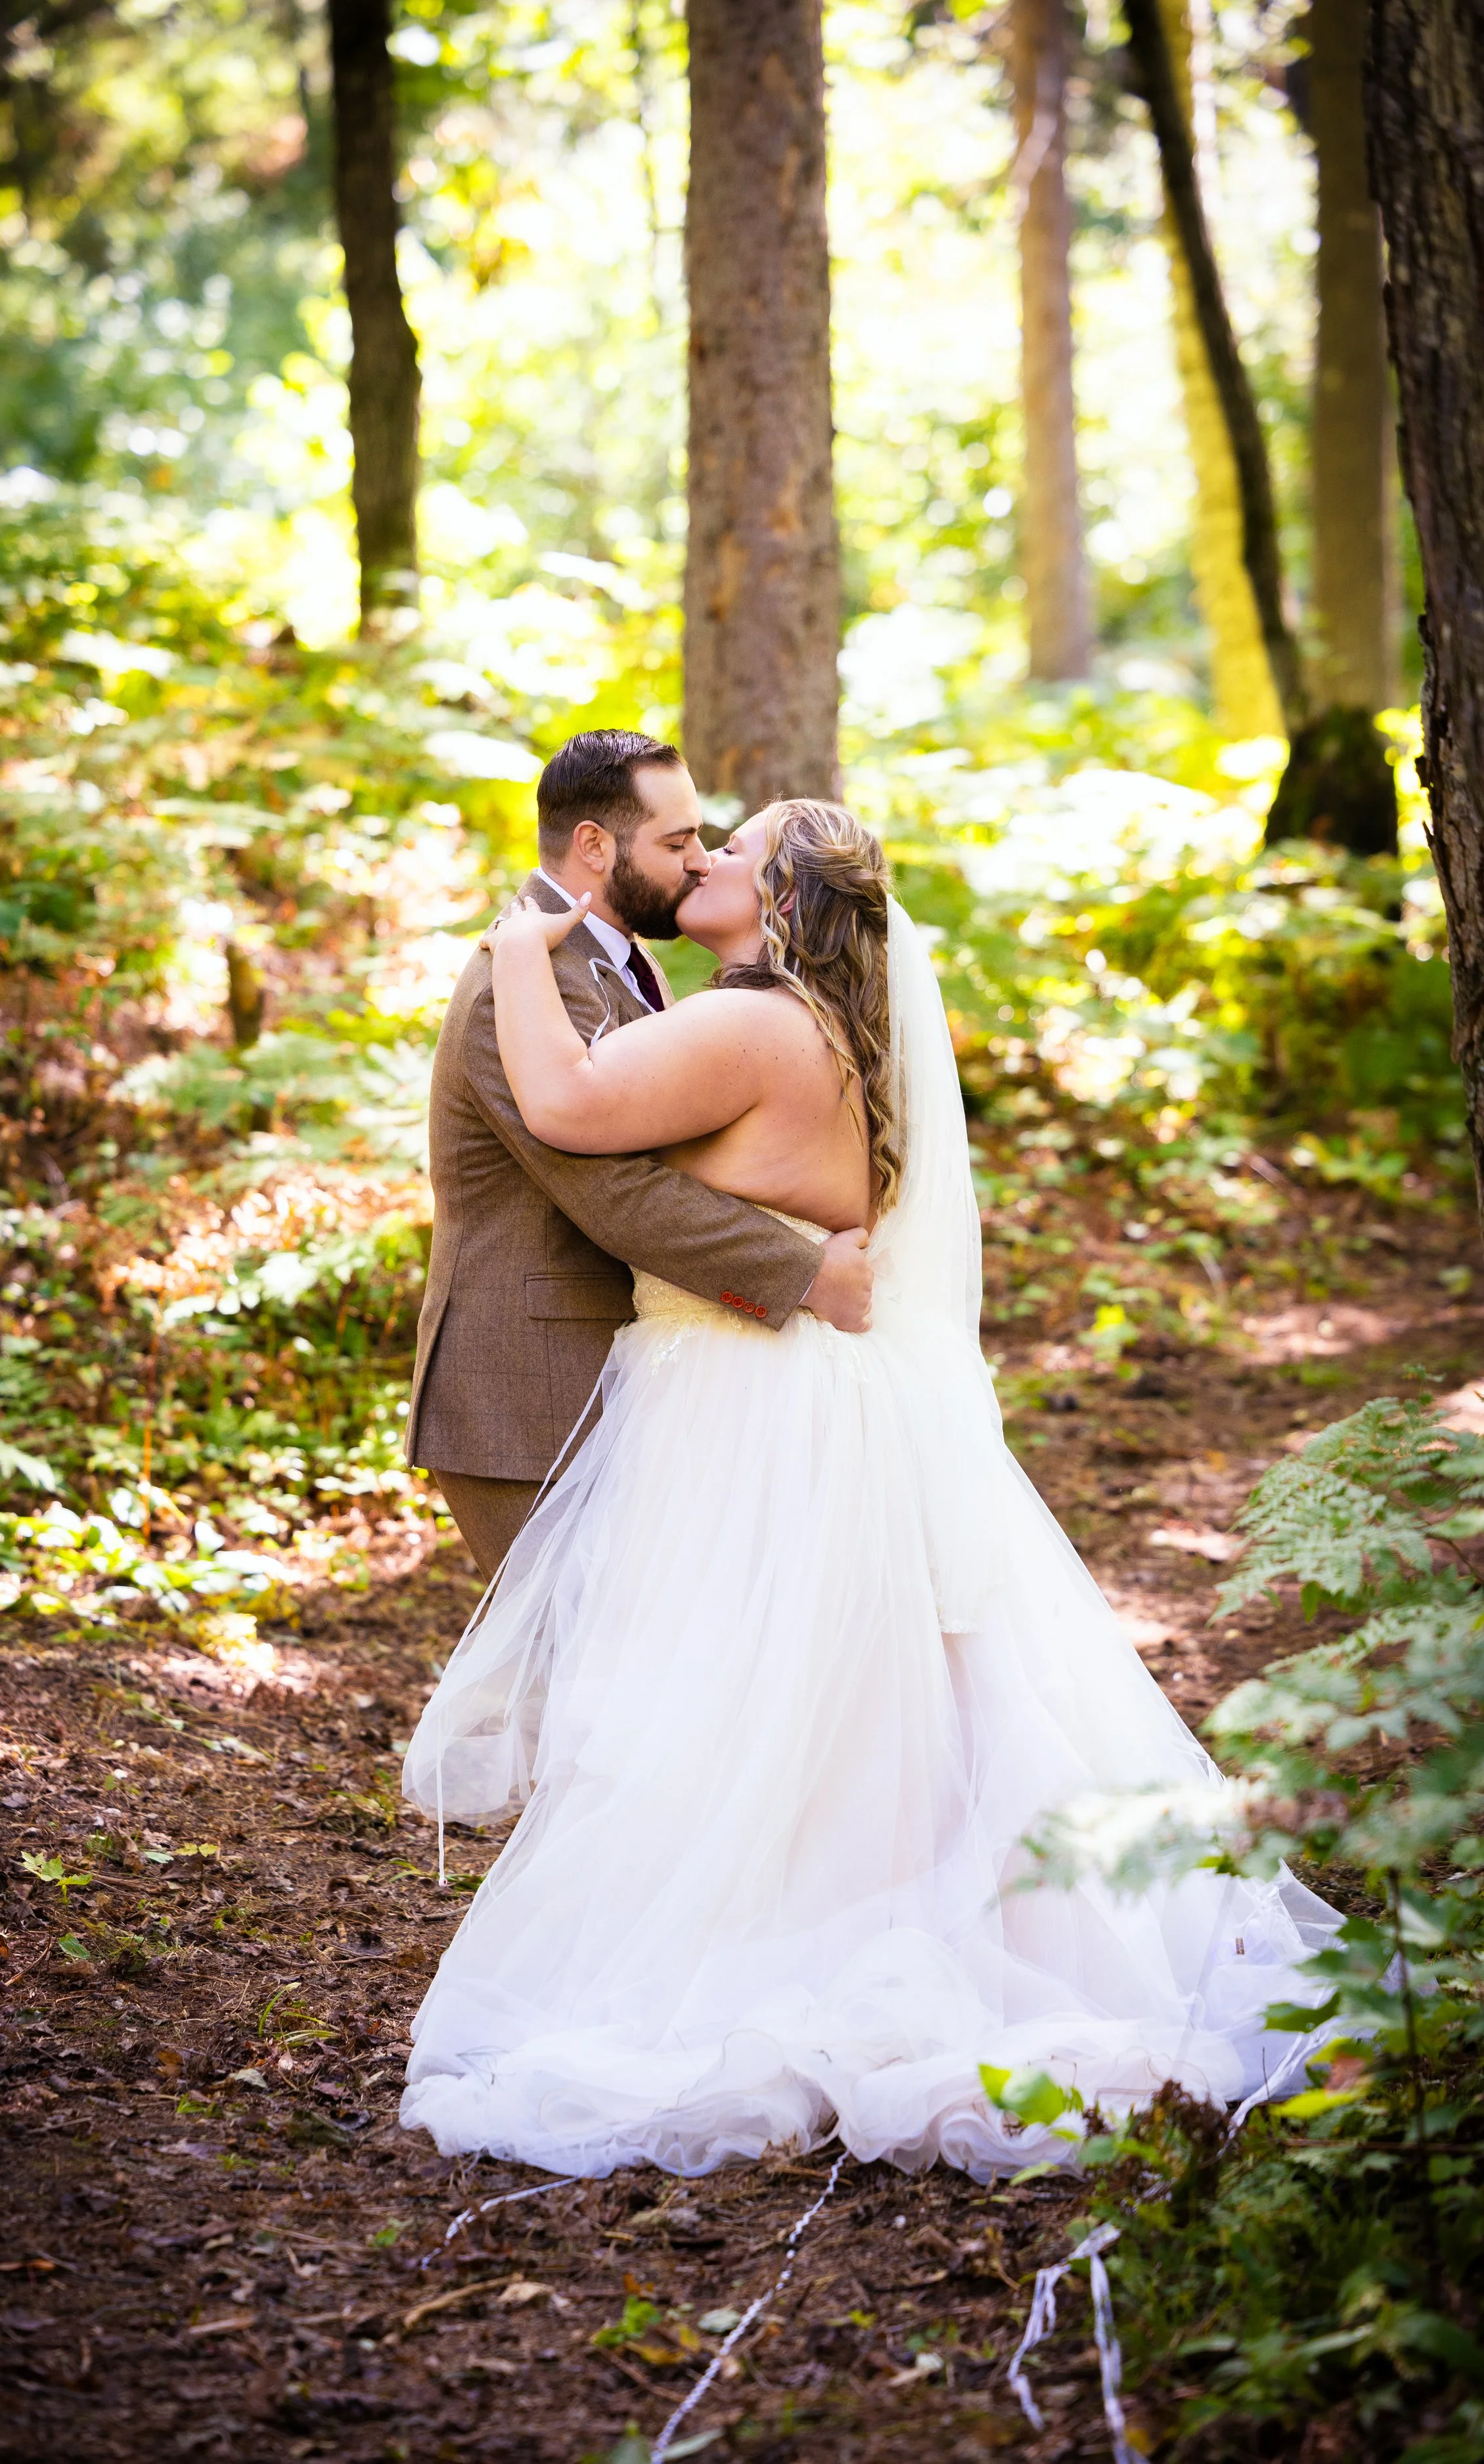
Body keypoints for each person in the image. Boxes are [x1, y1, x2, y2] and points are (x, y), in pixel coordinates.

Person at [399, 798, 1336, 2183]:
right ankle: (859, 1920)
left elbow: (566, 1105)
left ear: (782, 903)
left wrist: (520, 948)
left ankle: (778, 1955)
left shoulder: (751, 1024)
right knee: (815, 1705)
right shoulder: (826, 1028)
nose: (705, 854)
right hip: (786, 1392)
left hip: (746, 1404)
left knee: (746, 1701)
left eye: (737, 848)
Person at [407, 730, 875, 1582]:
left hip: (612, 1379)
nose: (698, 863)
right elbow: (611, 1190)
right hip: (527, 1391)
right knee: (573, 1683)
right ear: (594, 845)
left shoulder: (623, 963)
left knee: (629, 1678)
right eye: (676, 841)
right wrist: (802, 1273)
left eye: (702, 839)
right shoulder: (519, 980)